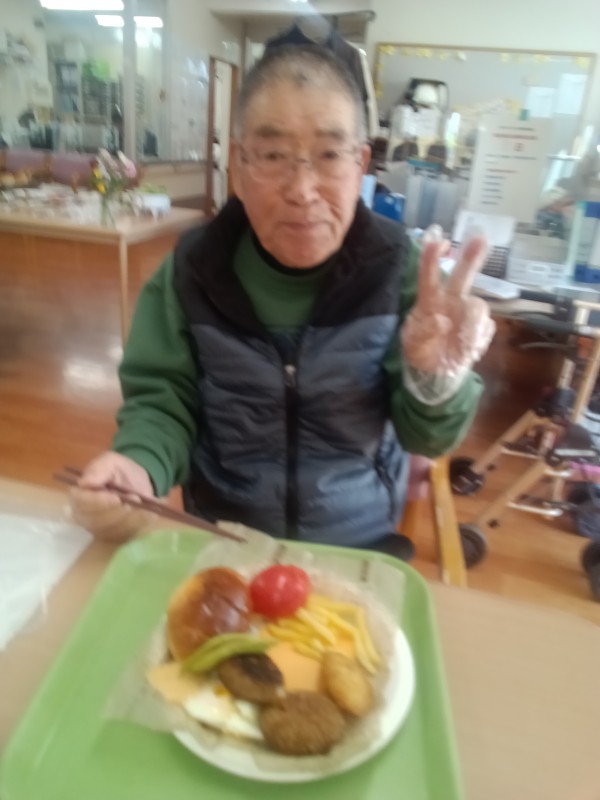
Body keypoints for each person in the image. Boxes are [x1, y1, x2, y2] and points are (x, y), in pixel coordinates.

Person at [71, 45, 494, 555]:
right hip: (224, 543)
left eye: (329, 155)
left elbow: (426, 439)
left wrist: (433, 383)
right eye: (273, 156)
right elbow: (162, 403)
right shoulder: (193, 270)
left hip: (358, 547)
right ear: (239, 164)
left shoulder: (398, 272)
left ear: (360, 163)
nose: (302, 190)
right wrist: (137, 465)